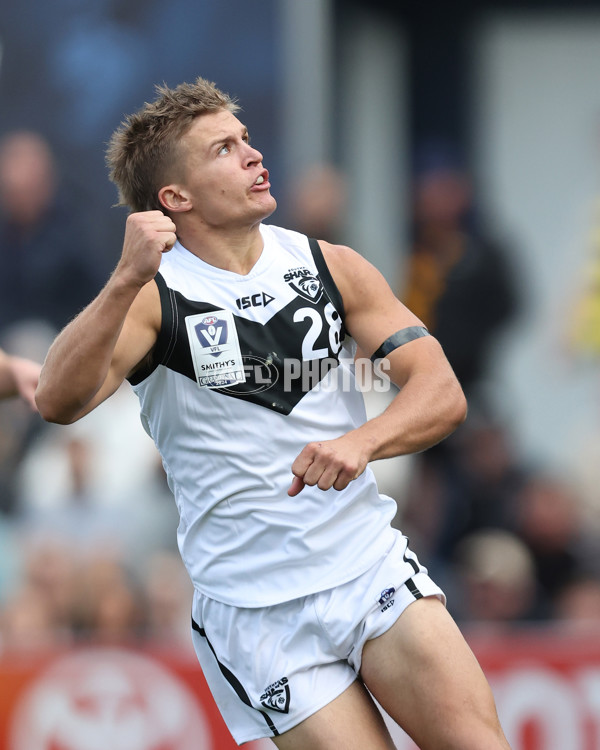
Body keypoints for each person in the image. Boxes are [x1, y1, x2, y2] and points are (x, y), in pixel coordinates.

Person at [35, 78, 511, 749]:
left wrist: (363, 442)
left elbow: (441, 391)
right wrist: (122, 279)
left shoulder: (329, 266)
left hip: (367, 566)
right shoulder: (151, 297)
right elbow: (57, 400)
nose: (255, 156)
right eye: (224, 149)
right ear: (176, 198)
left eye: (247, 139)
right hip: (258, 613)